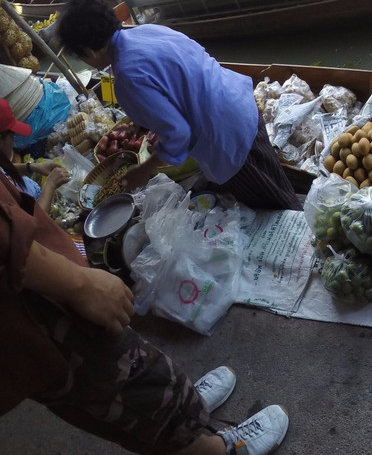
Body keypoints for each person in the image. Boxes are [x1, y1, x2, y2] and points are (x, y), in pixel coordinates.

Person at [0, 99, 290, 454]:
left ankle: (185, 406)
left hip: (31, 323)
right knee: (129, 380)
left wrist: (24, 168)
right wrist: (81, 285)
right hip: (40, 313)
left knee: (107, 404)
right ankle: (219, 446)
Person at [56, 0, 301, 210]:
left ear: (87, 51)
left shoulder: (127, 78)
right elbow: (183, 73)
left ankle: (314, 252)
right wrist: (143, 122)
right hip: (241, 105)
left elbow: (178, 134)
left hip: (226, 139)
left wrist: (144, 170)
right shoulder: (146, 32)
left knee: (278, 207)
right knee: (278, 185)